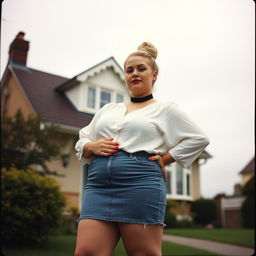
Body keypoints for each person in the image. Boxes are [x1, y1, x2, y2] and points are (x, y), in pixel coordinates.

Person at [74, 42, 209, 256]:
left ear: (154, 74)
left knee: (143, 253)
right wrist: (91, 145)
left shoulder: (165, 109)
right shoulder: (108, 109)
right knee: (86, 252)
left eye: (141, 69)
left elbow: (198, 139)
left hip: (141, 184)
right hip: (98, 186)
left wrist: (165, 159)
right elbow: (82, 139)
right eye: (129, 70)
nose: (134, 73)